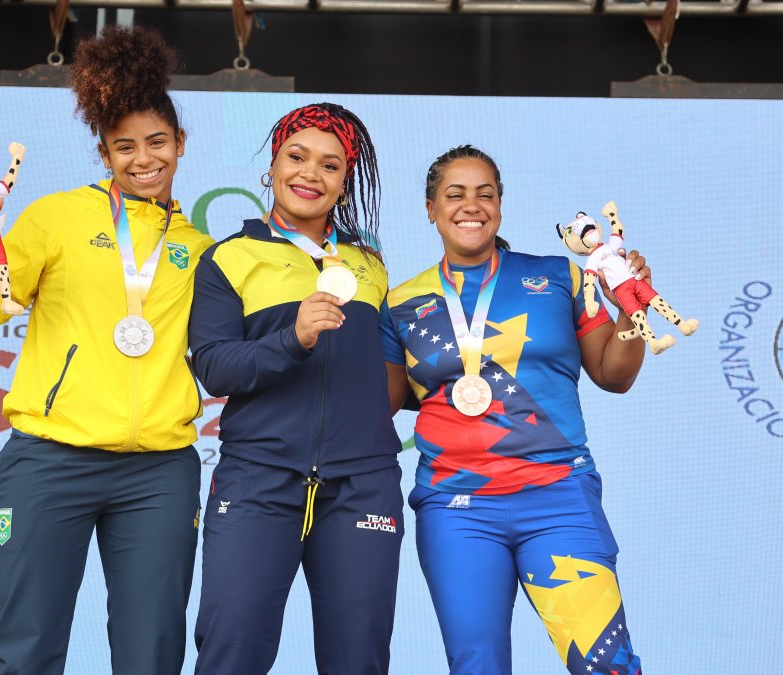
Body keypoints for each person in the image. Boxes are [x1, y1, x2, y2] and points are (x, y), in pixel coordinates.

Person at [0, 26, 212, 674]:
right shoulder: (56, 217)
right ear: (103, 151)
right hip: (50, 460)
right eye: (125, 147)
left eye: (156, 143)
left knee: (152, 655)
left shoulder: (201, 249)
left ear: (180, 144)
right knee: (26, 647)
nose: (143, 158)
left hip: (160, 471)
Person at [380, 145, 648, 675]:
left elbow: (615, 376)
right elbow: (378, 405)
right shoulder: (401, 303)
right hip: (457, 509)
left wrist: (630, 307)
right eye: (454, 195)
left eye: (486, 194)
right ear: (430, 209)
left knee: (608, 666)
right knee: (477, 667)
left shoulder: (560, 278)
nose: (471, 206)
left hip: (558, 499)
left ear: (500, 206)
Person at [188, 103, 403, 675]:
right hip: (259, 478)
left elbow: (389, 373)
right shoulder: (228, 258)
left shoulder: (370, 267)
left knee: (359, 659)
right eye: (297, 157)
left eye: (331, 166)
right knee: (230, 652)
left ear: (344, 182)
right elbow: (213, 366)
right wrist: (294, 338)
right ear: (273, 167)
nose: (311, 174)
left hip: (363, 486)